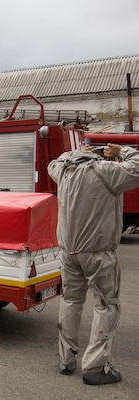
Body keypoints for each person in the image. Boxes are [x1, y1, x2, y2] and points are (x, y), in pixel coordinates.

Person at [48, 142, 139, 385]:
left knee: (71, 301)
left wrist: (76, 153)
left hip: (69, 251)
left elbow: (52, 163)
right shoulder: (106, 172)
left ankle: (66, 359)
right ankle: (96, 367)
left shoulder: (64, 171)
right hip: (98, 253)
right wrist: (122, 151)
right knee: (106, 305)